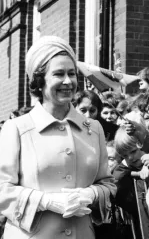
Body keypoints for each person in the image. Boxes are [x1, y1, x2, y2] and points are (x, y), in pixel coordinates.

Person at [0, 36, 116, 239]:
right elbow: (2, 189)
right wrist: (45, 201)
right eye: (58, 74)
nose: (68, 81)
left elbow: (108, 184)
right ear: (39, 81)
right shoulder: (16, 128)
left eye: (72, 74)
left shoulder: (94, 128)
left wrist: (91, 194)